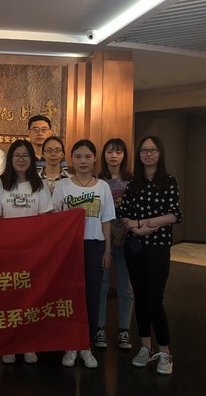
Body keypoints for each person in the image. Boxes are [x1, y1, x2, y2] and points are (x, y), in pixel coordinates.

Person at [0, 139, 53, 365]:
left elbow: (44, 220)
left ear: (32, 159)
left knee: (30, 298)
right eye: (17, 155)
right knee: (8, 299)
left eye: (25, 156)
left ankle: (28, 343)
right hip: (7, 253)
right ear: (11, 159)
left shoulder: (39, 185)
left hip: (33, 254)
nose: (21, 160)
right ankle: (9, 344)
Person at [119, 135, 182, 376]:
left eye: (153, 150)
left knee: (155, 298)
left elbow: (174, 215)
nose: (148, 154)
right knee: (141, 297)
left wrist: (143, 223)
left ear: (160, 153)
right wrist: (136, 227)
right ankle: (145, 347)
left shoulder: (168, 181)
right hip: (135, 247)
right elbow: (124, 214)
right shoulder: (133, 182)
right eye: (144, 150)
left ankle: (165, 351)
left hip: (158, 247)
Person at [51, 139, 115, 369]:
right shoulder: (63, 186)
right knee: (70, 295)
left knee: (92, 295)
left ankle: (86, 344)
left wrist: (107, 249)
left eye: (87, 156)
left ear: (94, 158)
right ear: (71, 159)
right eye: (78, 156)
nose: (83, 161)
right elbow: (54, 219)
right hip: (70, 247)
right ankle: (71, 344)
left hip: (94, 245)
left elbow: (106, 221)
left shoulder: (103, 187)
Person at [95, 138, 134, 350]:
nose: (113, 156)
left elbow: (136, 209)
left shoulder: (132, 180)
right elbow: (97, 211)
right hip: (103, 239)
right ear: (104, 155)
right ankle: (99, 328)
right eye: (110, 151)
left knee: (125, 287)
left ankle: (124, 330)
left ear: (124, 155)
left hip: (126, 240)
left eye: (118, 152)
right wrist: (112, 231)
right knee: (101, 285)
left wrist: (123, 233)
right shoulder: (97, 180)